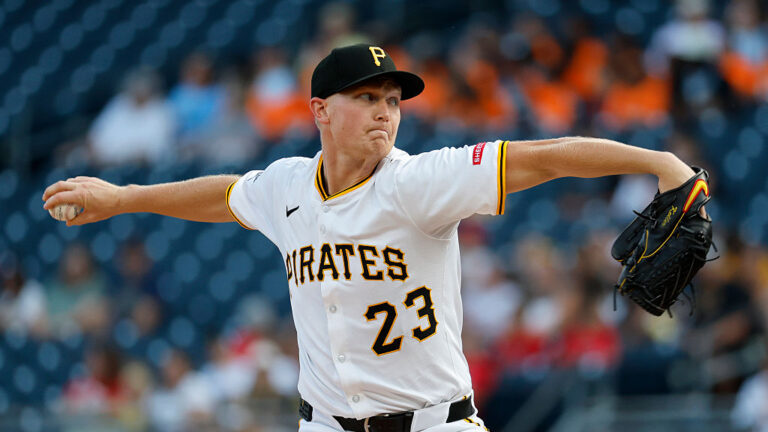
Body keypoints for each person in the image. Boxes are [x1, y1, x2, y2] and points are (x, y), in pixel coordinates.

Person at [43, 44, 702, 431]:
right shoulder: (286, 185)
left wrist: (657, 164)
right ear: (321, 111)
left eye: (393, 100)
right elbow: (225, 193)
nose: (386, 112)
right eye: (368, 98)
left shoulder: (420, 181)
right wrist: (125, 198)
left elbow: (544, 155)